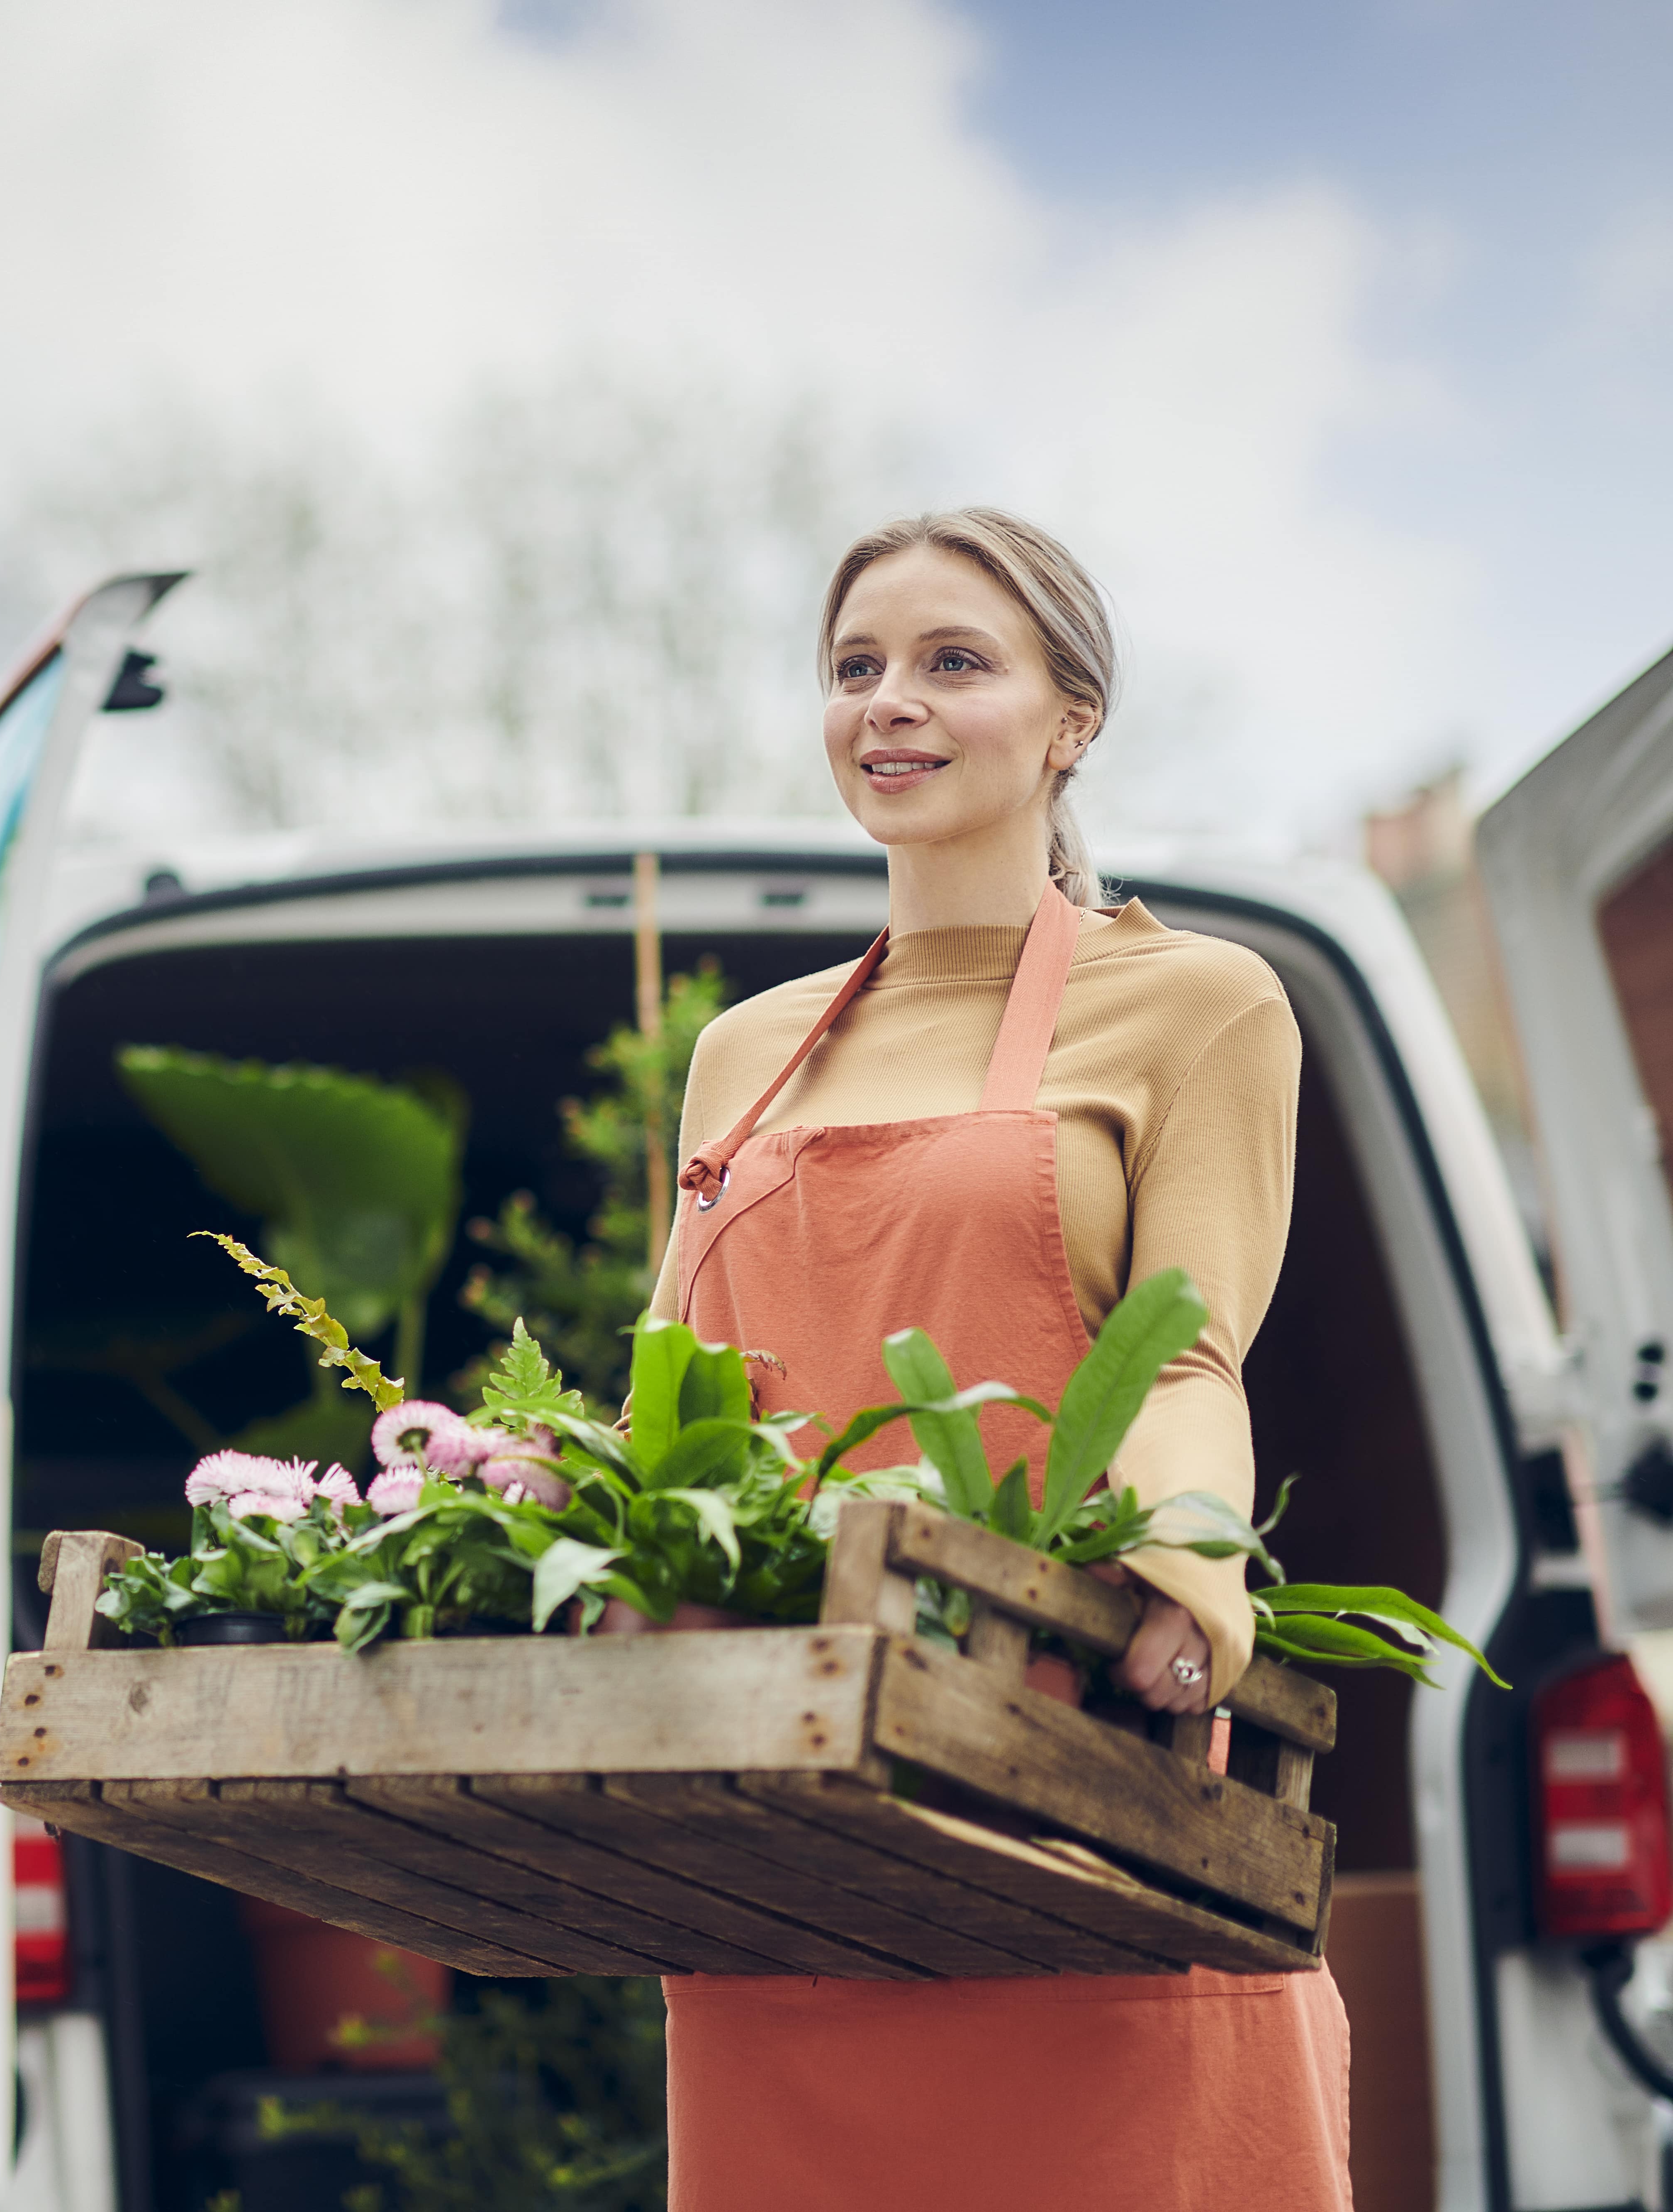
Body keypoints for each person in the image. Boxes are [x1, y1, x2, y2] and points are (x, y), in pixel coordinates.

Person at [651, 509, 1350, 2209]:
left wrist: (1189, 1570)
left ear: (1069, 719)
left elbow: (1179, 1359)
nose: (887, 702)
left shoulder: (1199, 1005)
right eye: (853, 667)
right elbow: (665, 1415)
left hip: (1069, 1798)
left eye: (950, 661)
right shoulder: (745, 1049)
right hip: (784, 1828)